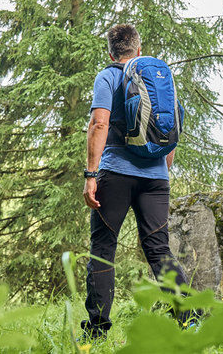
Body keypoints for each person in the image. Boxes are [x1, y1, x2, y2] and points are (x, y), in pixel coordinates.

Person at [81, 23, 190, 340]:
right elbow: (170, 129)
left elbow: (99, 123)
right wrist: (160, 170)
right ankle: (190, 320)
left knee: (103, 248)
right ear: (138, 50)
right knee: (159, 250)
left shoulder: (108, 76)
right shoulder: (159, 78)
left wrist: (91, 175)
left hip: (115, 174)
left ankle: (97, 330)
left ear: (110, 53)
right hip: (156, 177)